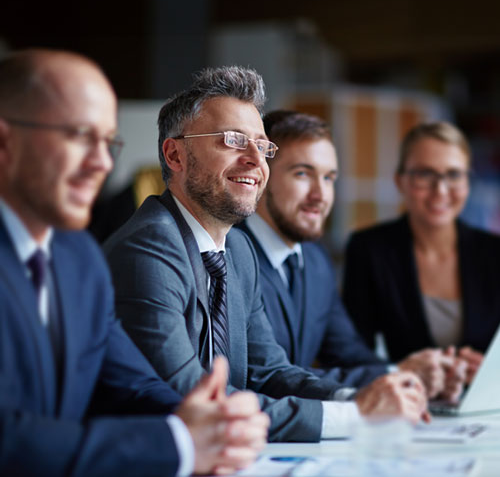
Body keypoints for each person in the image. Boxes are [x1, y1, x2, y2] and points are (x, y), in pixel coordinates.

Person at [104, 65, 429, 444]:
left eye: (262, 146)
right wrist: (354, 418)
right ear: (175, 155)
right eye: (232, 140)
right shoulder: (149, 247)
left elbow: (269, 371)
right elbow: (194, 399)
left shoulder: (238, 249)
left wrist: (359, 400)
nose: (256, 162)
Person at [0, 49, 269, 477]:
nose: (102, 164)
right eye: (78, 136)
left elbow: (130, 382)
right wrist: (178, 443)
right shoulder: (142, 244)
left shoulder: (77, 256)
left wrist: (213, 424)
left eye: (107, 142)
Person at [238, 110, 465, 400]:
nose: (320, 195)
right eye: (302, 174)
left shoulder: (316, 261)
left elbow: (349, 355)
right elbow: (265, 376)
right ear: (261, 174)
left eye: (329, 178)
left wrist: (413, 377)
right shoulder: (230, 254)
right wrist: (396, 376)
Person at [343, 121, 500, 386]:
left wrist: (490, 373)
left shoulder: (494, 253)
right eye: (425, 174)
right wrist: (401, 371)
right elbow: (351, 351)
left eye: (453, 175)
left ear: (468, 181)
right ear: (400, 181)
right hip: (406, 403)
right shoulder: (369, 249)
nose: (440, 190)